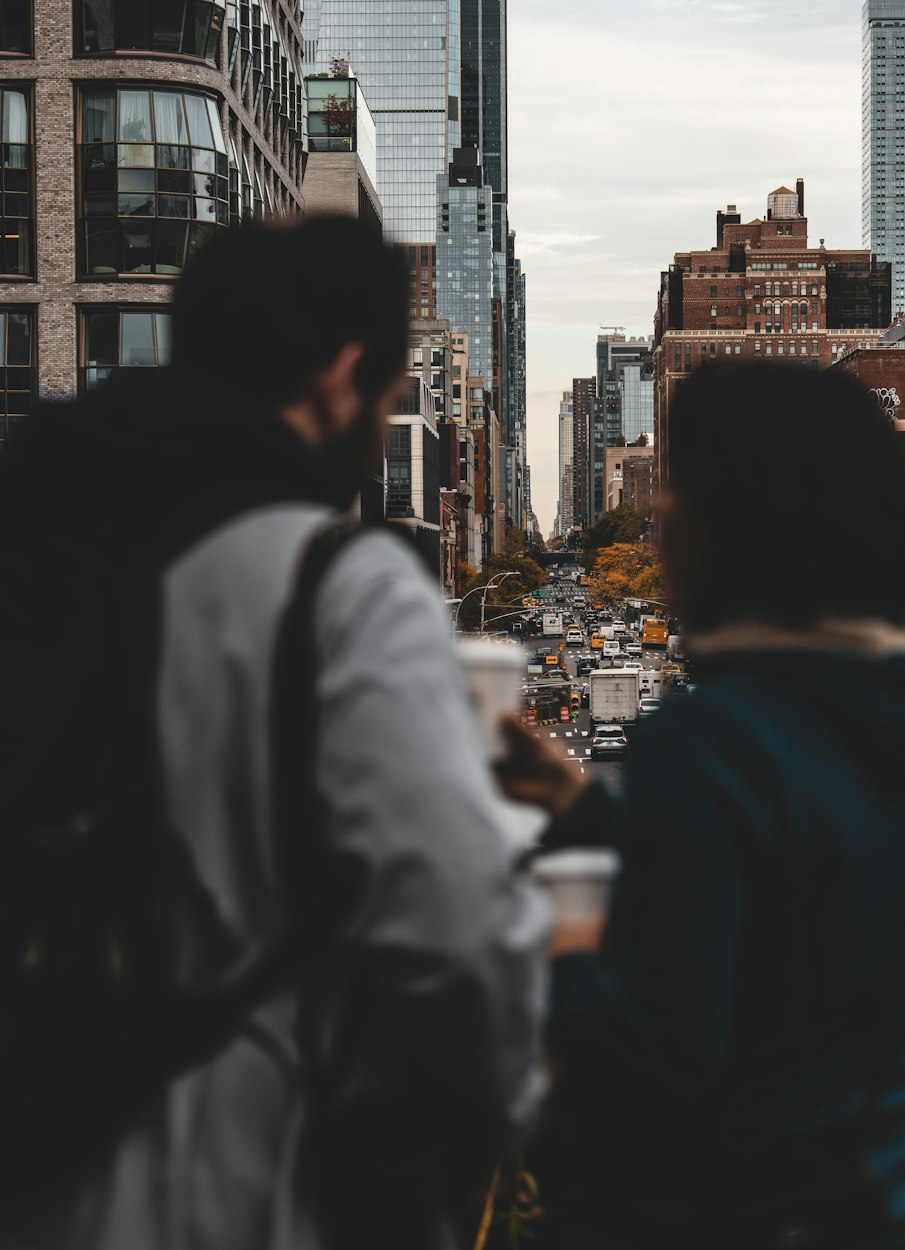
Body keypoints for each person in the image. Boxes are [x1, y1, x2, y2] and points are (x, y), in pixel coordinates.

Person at [0, 217, 547, 1250]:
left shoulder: (36, 536)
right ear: (342, 377)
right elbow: (456, 924)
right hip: (235, 1180)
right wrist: (509, 1098)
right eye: (389, 401)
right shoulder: (334, 587)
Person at [498, 361, 905, 1250]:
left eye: (679, 482)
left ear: (740, 518)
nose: (658, 509)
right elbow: (793, 901)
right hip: (888, 1209)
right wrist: (581, 807)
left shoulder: (707, 744)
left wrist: (558, 947)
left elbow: (654, 1068)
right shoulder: (896, 721)